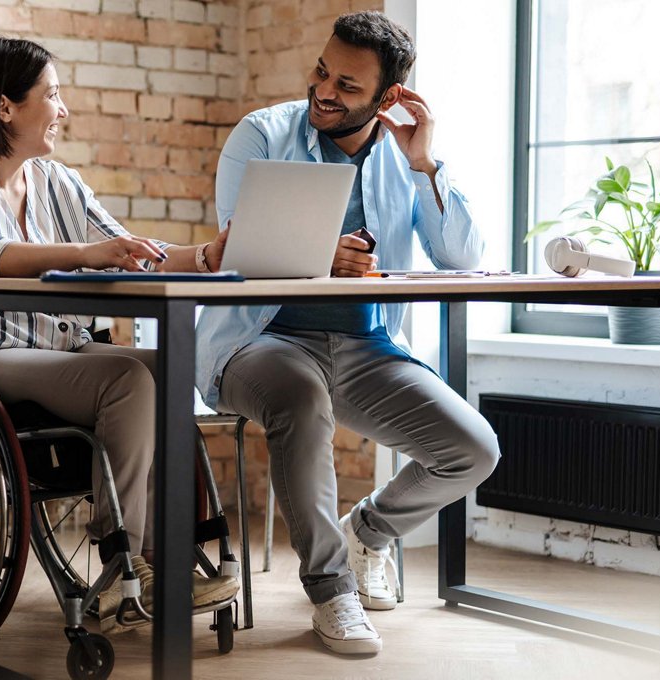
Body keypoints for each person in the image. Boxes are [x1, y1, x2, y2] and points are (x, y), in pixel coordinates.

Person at [0, 35, 237, 632]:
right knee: (127, 378)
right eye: (52, 95)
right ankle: (124, 562)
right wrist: (88, 252)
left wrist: (210, 254)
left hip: (60, 350)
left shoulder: (60, 182)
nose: (63, 110)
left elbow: (134, 252)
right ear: (5, 107)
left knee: (167, 366)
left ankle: (173, 554)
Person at [197, 11, 501, 654]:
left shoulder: (401, 152)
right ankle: (332, 591)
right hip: (259, 343)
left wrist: (424, 163)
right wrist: (318, 252)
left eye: (348, 86)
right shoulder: (261, 134)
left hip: (367, 349)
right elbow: (234, 249)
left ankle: (367, 530)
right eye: (321, 71)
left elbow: (464, 259)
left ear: (388, 97)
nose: (324, 91)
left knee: (473, 449)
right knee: (302, 398)